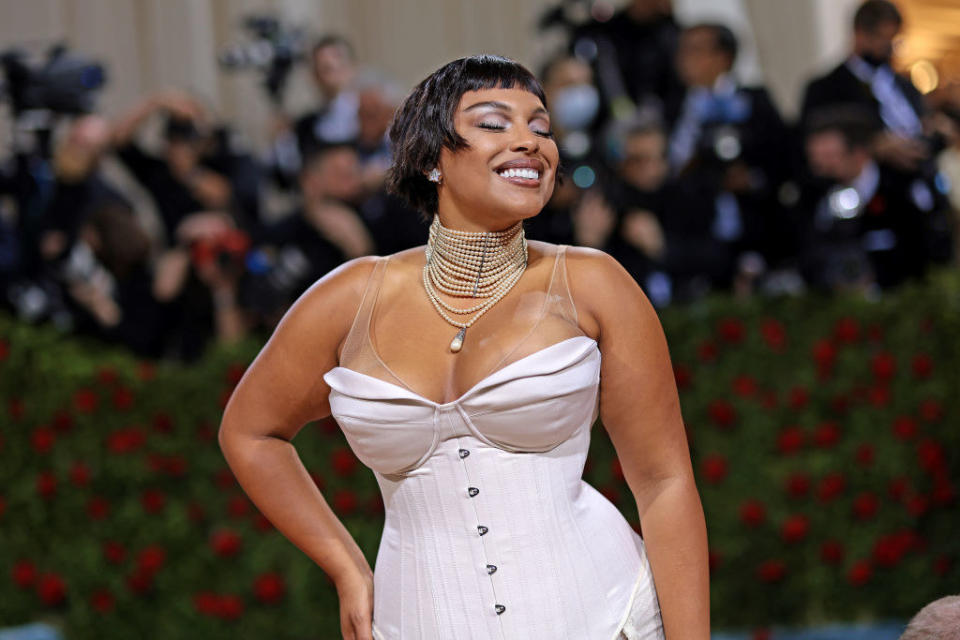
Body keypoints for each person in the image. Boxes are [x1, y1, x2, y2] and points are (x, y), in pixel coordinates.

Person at [218, 55, 708, 640]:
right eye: (496, 124)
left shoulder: (594, 283)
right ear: (430, 159)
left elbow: (663, 482)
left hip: (607, 619)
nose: (529, 142)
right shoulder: (351, 298)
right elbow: (249, 433)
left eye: (542, 127)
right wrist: (347, 568)